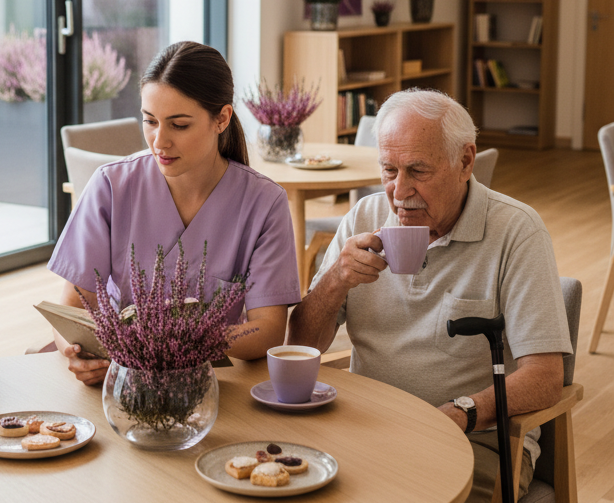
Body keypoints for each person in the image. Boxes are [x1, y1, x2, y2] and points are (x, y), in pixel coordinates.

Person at [287, 88, 572, 502]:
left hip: (475, 440)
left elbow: (546, 378)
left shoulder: (517, 232)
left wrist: (462, 411)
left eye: (418, 170)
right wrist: (335, 281)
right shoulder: (364, 218)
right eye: (388, 170)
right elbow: (300, 346)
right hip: (367, 428)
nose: (399, 191)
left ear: (466, 161)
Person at [48, 41, 301, 385]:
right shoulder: (110, 186)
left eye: (179, 125)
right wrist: (75, 354)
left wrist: (183, 341)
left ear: (221, 119)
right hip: (117, 383)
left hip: (206, 389)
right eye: (150, 121)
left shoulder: (264, 203)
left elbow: (269, 329)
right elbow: (73, 309)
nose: (159, 141)